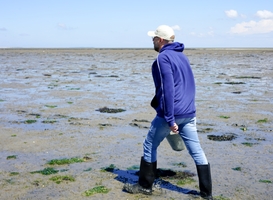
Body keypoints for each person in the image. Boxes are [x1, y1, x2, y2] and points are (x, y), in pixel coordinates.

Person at [123, 25, 213, 199]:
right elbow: (190, 85)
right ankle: (206, 194)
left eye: (154, 38)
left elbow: (168, 89)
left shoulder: (163, 58)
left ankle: (145, 186)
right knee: (197, 150)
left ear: (161, 40)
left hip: (172, 114)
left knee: (149, 144)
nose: (152, 41)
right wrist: (189, 109)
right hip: (189, 112)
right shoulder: (182, 56)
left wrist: (170, 119)